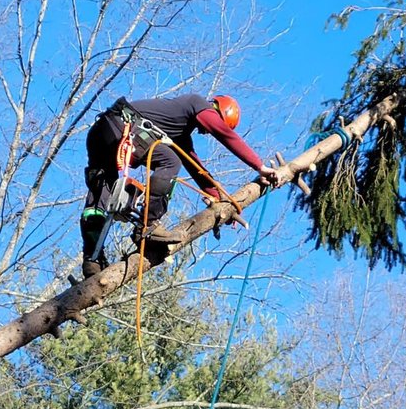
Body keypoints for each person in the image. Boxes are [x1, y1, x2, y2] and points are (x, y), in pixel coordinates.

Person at [80, 93, 280, 277]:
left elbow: (195, 166)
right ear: (217, 111)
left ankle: (92, 260)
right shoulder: (198, 104)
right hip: (127, 126)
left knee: (100, 195)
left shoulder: (179, 131)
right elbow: (226, 137)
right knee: (170, 162)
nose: (206, 132)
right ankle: (148, 226)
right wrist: (259, 166)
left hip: (102, 131)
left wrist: (220, 199)